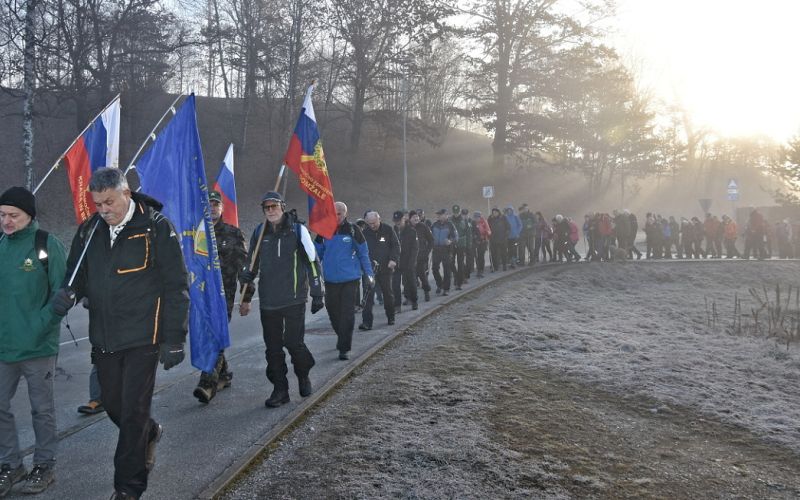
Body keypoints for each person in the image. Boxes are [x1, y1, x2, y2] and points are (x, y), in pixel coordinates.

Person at [53, 167, 189, 499]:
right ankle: (150, 432)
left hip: (144, 337)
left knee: (132, 413)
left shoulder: (156, 227)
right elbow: (76, 273)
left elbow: (176, 285)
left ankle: (128, 488)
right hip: (105, 337)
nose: (103, 210)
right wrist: (69, 292)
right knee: (114, 404)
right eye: (98, 204)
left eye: (109, 202)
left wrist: (174, 338)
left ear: (126, 194)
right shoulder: (89, 230)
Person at [0, 187, 67, 496]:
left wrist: (39, 326)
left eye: (13, 215)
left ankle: (44, 465)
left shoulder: (46, 245)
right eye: (2, 215)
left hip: (38, 346)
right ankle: (11, 465)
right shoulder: (0, 245)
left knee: (41, 409)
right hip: (4, 346)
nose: (6, 221)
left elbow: (61, 295)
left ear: (29, 215)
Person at [239, 191, 323, 407]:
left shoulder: (298, 230)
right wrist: (246, 287)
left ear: (282, 207)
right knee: (273, 349)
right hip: (269, 300)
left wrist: (317, 293)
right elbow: (251, 264)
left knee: (294, 343)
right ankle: (280, 390)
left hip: (294, 298)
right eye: (266, 207)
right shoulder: (259, 233)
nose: (271, 211)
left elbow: (312, 261)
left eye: (274, 206)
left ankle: (303, 373)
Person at [193, 191, 253, 404]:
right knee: (207, 333)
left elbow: (244, 268)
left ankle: (207, 383)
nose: (212, 207)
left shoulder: (233, 233)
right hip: (201, 295)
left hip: (222, 295)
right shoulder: (196, 234)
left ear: (221, 208)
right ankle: (224, 374)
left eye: (215, 204)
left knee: (215, 335)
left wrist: (246, 297)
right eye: (208, 204)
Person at [314, 201, 374, 360]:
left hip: (350, 280)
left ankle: (344, 348)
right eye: (333, 213)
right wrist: (312, 275)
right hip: (330, 280)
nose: (336, 216)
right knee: (333, 311)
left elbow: (363, 254)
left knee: (347, 314)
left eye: (339, 213)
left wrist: (369, 275)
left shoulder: (353, 230)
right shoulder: (324, 230)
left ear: (345, 213)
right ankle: (342, 335)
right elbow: (316, 255)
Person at [359, 211, 400, 329]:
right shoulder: (364, 233)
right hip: (369, 270)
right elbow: (360, 250)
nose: (372, 226)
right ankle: (367, 322)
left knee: (388, 294)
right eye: (369, 223)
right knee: (368, 296)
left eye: (374, 223)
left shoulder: (388, 230)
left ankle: (391, 317)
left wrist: (393, 259)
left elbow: (396, 246)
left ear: (379, 219)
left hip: (385, 268)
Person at [391, 210, 419, 311]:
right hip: (396, 262)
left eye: (399, 220)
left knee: (411, 283)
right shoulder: (392, 231)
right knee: (395, 285)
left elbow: (415, 248)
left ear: (404, 219)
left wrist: (412, 262)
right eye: (395, 221)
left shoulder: (411, 231)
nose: (397, 223)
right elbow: (390, 247)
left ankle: (414, 301)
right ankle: (397, 305)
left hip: (408, 262)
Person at [430, 208, 457, 295]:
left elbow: (456, 237)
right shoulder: (434, 225)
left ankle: (446, 289)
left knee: (447, 270)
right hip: (436, 250)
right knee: (434, 269)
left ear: (446, 215)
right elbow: (429, 235)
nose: (438, 216)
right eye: (437, 214)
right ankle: (439, 284)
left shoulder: (450, 225)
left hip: (446, 250)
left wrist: (450, 241)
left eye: (440, 214)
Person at [410, 210, 433, 301]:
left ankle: (426, 292)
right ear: (410, 219)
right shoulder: (407, 228)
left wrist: (427, 252)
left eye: (417, 216)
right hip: (410, 257)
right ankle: (409, 297)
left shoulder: (423, 227)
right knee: (410, 277)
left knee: (422, 275)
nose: (416, 218)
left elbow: (431, 240)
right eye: (414, 217)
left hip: (422, 256)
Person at [450, 205, 470, 290]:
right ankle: (455, 274)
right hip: (452, 245)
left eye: (457, 212)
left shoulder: (464, 220)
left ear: (459, 212)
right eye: (454, 212)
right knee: (450, 262)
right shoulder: (450, 220)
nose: (456, 214)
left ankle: (459, 283)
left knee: (460, 263)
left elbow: (468, 233)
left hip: (461, 245)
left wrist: (468, 246)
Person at [471, 211, 491, 277]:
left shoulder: (484, 222)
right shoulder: (472, 223)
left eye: (478, 217)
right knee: (476, 256)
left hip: (483, 241)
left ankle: (481, 269)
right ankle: (478, 269)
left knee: (481, 256)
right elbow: (471, 231)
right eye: (475, 217)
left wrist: (486, 233)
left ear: (480, 217)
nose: (476, 219)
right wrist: (474, 236)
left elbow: (488, 230)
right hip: (475, 242)